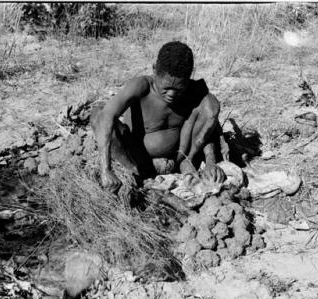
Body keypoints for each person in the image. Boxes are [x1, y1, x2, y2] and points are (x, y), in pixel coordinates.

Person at [90, 41, 226, 193]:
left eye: (179, 88)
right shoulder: (141, 87)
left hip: (178, 159)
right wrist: (106, 170)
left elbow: (208, 126)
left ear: (189, 77)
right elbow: (105, 116)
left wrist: (210, 161)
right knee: (97, 114)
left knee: (210, 104)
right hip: (136, 161)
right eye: (167, 87)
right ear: (154, 70)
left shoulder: (191, 91)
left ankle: (186, 166)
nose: (172, 94)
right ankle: (135, 175)